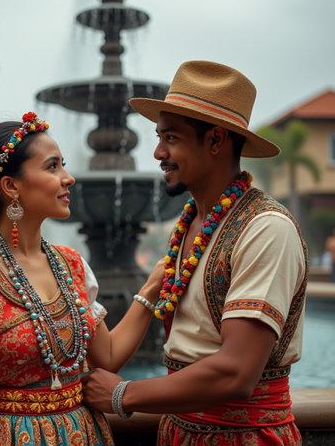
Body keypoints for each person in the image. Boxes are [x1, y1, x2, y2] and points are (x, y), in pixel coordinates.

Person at [81, 60, 308, 445]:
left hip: (244, 437)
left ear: (216, 140)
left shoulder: (265, 228)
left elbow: (237, 372)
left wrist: (124, 394)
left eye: (171, 138)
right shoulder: (191, 225)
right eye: (158, 137)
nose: (157, 152)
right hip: (178, 432)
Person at [0, 111, 163, 445]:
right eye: (52, 167)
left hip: (85, 434)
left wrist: (152, 286)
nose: (69, 178)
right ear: (11, 186)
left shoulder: (72, 265)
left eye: (63, 165)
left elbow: (107, 357)